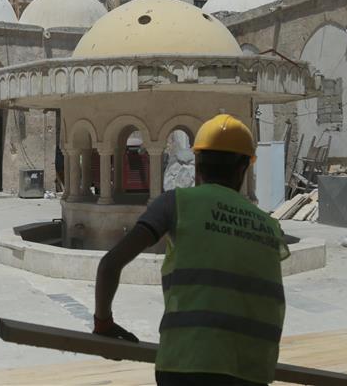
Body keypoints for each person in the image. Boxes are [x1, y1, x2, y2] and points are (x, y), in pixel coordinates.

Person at [92, 114, 290, 386]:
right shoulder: (270, 226)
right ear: (244, 168)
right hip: (252, 369)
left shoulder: (175, 203)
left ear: (197, 163)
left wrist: (103, 323)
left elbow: (110, 264)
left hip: (186, 364)